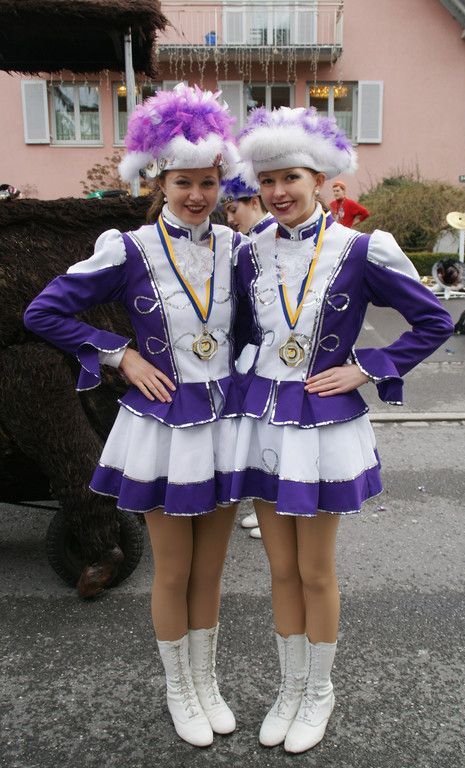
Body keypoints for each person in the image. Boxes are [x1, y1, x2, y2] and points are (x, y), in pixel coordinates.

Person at [24, 84, 244, 748]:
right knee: (173, 569)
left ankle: (207, 682)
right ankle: (179, 689)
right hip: (163, 424)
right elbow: (44, 311)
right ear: (160, 182)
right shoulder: (129, 248)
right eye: (184, 182)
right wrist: (120, 353)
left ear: (220, 182)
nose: (197, 195)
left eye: (207, 182)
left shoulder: (237, 248)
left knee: (211, 571)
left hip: (226, 422)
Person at [233, 106, 454, 753]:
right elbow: (239, 334)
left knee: (314, 570)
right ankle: (289, 686)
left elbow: (434, 320)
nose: (278, 191)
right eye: (267, 180)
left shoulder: (361, 250)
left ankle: (319, 691)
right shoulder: (249, 252)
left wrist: (365, 367)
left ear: (322, 180)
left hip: (322, 424)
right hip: (262, 421)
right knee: (279, 569)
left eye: (291, 177)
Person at [220, 168, 275, 539]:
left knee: (267, 433)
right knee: (256, 435)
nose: (229, 218)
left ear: (253, 202)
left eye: (232, 208)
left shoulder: (265, 242)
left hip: (266, 354)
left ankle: (272, 505)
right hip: (252, 352)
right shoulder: (250, 243)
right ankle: (264, 504)